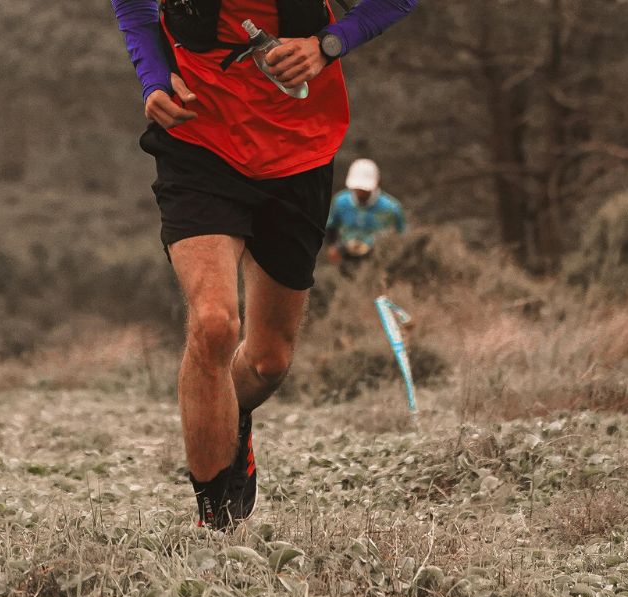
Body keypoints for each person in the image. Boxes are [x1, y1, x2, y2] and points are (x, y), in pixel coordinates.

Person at [111, 0, 417, 530]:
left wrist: (328, 45)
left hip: (299, 154)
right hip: (198, 142)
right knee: (213, 324)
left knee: (268, 361)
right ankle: (214, 522)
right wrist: (154, 79)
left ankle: (232, 419)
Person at [326, 158, 407, 265]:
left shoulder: (391, 208)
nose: (361, 192)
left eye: (364, 189)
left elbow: (402, 234)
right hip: (347, 255)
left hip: (378, 258)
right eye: (358, 188)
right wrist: (332, 247)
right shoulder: (341, 202)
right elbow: (331, 226)